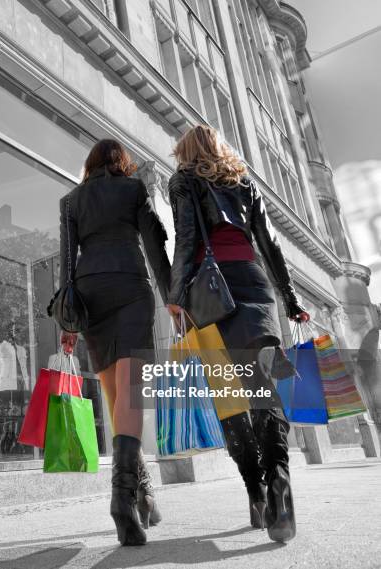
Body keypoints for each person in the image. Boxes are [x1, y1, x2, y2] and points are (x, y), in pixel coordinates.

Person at [166, 125, 309, 543]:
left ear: (186, 151)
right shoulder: (243, 180)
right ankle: (279, 483)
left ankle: (255, 492)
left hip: (212, 292)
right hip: (254, 281)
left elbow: (187, 239)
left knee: (230, 402)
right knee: (263, 387)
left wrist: (176, 298)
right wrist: (289, 297)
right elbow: (270, 244)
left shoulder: (183, 180)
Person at [59, 139, 171, 546]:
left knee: (117, 398)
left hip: (90, 296)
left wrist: (67, 320)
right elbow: (155, 243)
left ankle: (143, 494)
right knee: (131, 396)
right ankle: (121, 499)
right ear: (122, 163)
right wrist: (171, 295)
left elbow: (66, 262)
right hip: (129, 287)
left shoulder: (71, 200)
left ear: (89, 164)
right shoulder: (134, 189)